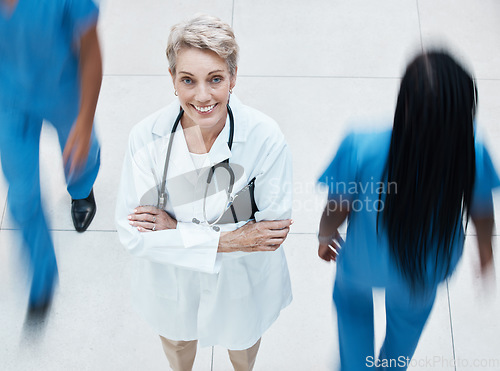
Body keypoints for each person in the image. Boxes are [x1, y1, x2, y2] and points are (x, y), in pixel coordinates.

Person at [116, 14, 293, 371]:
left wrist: (175, 231)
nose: (202, 96)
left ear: (233, 78)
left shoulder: (265, 138)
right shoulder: (145, 138)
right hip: (172, 284)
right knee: (179, 345)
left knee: (242, 351)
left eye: (215, 79)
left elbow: (270, 233)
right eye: (188, 80)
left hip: (240, 285)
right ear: (173, 81)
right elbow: (134, 236)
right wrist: (231, 239)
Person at [317, 51, 498, 370]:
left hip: (363, 261)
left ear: (405, 101)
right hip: (425, 268)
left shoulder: (362, 144)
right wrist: (485, 253)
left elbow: (338, 206)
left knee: (352, 311)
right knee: (407, 326)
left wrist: (325, 234)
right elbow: (481, 212)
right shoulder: (472, 150)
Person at [0, 0, 102, 316]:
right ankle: (42, 275)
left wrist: (85, 122)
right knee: (21, 197)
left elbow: (90, 51)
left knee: (78, 159)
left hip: (63, 90)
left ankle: (81, 191)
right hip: (9, 101)